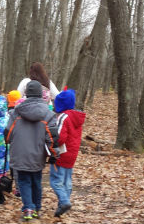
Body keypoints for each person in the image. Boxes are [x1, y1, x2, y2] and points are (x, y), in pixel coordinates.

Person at [6, 80, 59, 221]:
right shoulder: (48, 114)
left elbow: (8, 132)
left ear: (26, 94)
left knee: (23, 181)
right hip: (38, 155)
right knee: (36, 180)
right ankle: (36, 207)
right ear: (41, 95)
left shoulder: (16, 112)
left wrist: (8, 141)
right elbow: (52, 138)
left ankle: (28, 208)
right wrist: (54, 154)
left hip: (19, 154)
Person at [50, 90, 85, 218]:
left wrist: (52, 144)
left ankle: (64, 201)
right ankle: (62, 204)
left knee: (55, 180)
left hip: (62, 153)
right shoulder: (77, 117)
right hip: (72, 153)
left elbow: (60, 137)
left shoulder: (64, 117)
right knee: (67, 180)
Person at [6, 89, 24, 197]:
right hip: (22, 144)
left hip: (12, 143)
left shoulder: (9, 113)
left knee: (14, 166)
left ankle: (17, 187)